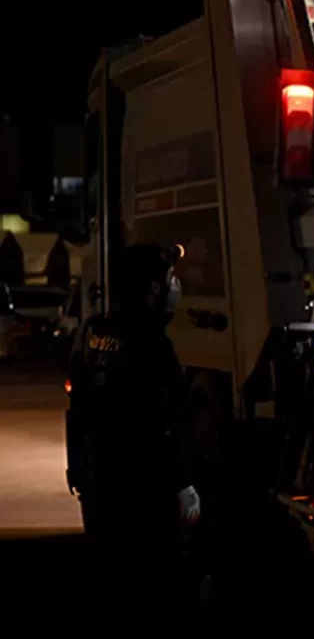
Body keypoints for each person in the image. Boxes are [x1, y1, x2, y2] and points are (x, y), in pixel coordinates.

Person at [66, 243, 200, 634]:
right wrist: (183, 483)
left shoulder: (96, 332)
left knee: (115, 574)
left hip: (105, 476)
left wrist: (81, 468)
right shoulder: (152, 345)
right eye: (169, 278)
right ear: (152, 288)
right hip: (145, 486)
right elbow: (165, 421)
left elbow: (80, 405)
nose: (174, 286)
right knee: (153, 584)